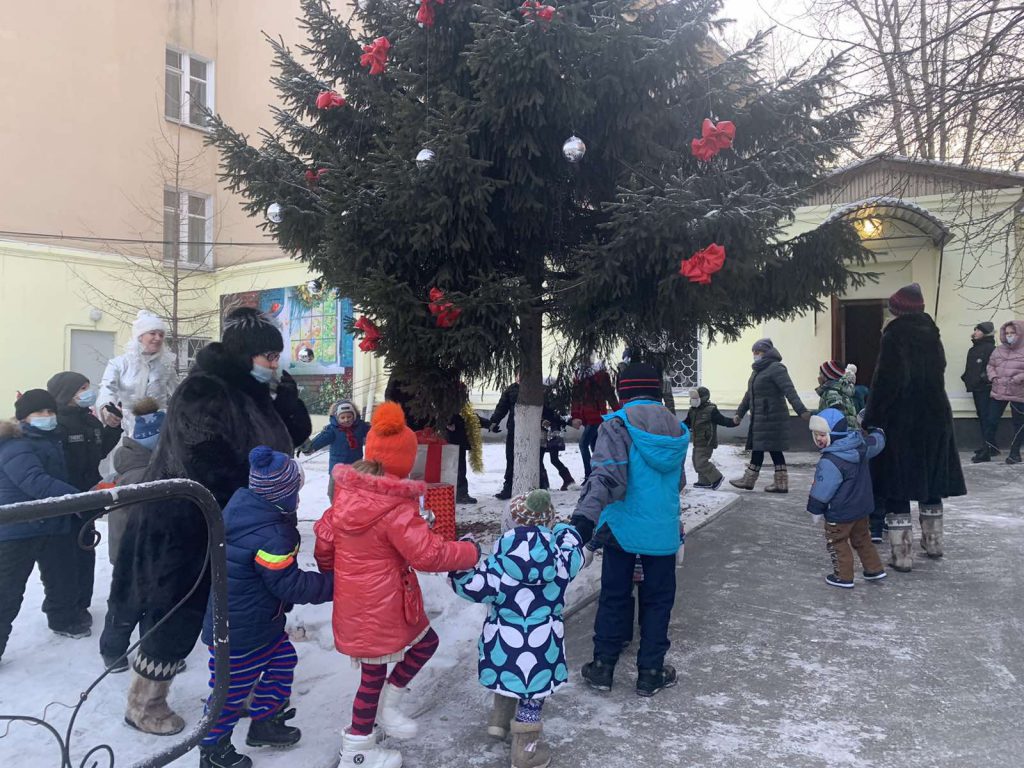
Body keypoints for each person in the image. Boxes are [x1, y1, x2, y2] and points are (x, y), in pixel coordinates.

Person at [111, 306, 311, 736]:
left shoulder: (258, 392)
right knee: (181, 609)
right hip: (186, 523)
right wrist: (259, 497)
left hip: (242, 523)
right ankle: (144, 703)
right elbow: (203, 460)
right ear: (243, 356)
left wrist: (287, 398)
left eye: (277, 356)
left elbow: (294, 437)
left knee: (241, 614)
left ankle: (231, 692)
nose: (275, 364)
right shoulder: (204, 391)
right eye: (267, 357)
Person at [314, 402, 479, 768]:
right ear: (404, 461)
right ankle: (358, 749)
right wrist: (469, 552)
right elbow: (428, 555)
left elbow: (324, 540)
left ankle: (384, 712)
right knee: (374, 676)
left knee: (417, 647)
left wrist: (337, 574)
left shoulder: (345, 494)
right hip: (384, 601)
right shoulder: (395, 506)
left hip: (363, 600)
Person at [198, 446, 333, 768]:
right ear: (284, 494)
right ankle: (211, 749)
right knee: (229, 694)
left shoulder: (249, 510)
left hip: (259, 621)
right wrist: (337, 584)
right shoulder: (271, 534)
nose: (299, 498)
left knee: (283, 659)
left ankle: (264, 723)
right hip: (240, 632)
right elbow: (289, 584)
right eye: (296, 491)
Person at [571, 362, 689, 697]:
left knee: (614, 596)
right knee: (658, 600)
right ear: (655, 390)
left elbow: (608, 478)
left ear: (623, 391)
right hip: (662, 532)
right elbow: (677, 481)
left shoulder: (618, 425)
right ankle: (651, 671)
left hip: (622, 529)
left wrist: (584, 518)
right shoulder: (676, 429)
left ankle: (603, 667)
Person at [449, 489, 586, 768]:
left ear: (511, 524)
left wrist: (462, 556)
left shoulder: (497, 565)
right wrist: (561, 528)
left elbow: (470, 586)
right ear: (547, 524)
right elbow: (575, 549)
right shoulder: (560, 562)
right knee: (533, 697)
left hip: (503, 644)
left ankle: (499, 723)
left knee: (510, 676)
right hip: (543, 647)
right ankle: (526, 751)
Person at [862, 283, 966, 572]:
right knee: (930, 481)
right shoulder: (932, 333)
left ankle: (902, 554)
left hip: (902, 420)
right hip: (935, 415)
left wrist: (871, 417)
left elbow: (886, 381)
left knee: (897, 484)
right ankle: (933, 543)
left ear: (897, 309)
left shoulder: (894, 335)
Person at [0, 390, 86, 662]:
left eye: (50, 412)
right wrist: (80, 500)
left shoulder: (51, 440)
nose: (47, 417)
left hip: (50, 522)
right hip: (18, 528)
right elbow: (36, 482)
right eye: (40, 413)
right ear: (24, 416)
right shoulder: (17, 444)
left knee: (61, 577)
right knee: (7, 591)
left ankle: (62, 620)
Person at [46, 371, 121, 629]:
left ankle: (81, 603)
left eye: (88, 387)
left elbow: (99, 452)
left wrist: (113, 427)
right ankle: (62, 609)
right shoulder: (56, 423)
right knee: (63, 558)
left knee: (85, 552)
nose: (88, 392)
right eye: (82, 388)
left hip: (88, 498)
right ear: (67, 393)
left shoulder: (88, 421)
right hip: (65, 500)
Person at [99, 398, 165, 673]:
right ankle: (113, 651)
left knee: (156, 603)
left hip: (151, 551)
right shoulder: (141, 474)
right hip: (135, 551)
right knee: (128, 604)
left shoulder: (144, 463)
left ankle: (153, 651)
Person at [807, 408, 887, 588]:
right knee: (862, 538)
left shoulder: (830, 460)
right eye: (816, 435)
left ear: (834, 434)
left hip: (840, 513)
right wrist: (878, 431)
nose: (818, 439)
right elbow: (877, 442)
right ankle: (874, 569)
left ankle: (843, 577)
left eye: (822, 434)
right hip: (861, 509)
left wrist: (815, 508)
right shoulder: (861, 446)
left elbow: (822, 488)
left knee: (837, 542)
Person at [730, 339, 810, 494]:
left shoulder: (776, 368)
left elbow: (789, 390)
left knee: (764, 448)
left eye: (757, 352)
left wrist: (802, 411)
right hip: (761, 418)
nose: (755, 355)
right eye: (753, 352)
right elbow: (749, 395)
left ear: (766, 353)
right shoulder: (757, 371)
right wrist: (739, 413)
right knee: (770, 450)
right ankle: (778, 483)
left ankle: (750, 480)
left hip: (772, 417)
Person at [98, 309, 180, 440]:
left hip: (158, 429)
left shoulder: (165, 366)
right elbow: (107, 388)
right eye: (152, 333)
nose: (158, 338)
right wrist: (105, 409)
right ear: (140, 336)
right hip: (127, 428)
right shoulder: (119, 364)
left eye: (161, 334)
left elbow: (178, 393)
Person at [305, 400, 371, 500]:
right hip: (336, 470)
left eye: (349, 417)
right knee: (333, 493)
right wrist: (309, 447)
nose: (346, 420)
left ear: (354, 416)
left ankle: (353, 511)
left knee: (355, 493)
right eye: (342, 417)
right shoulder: (332, 430)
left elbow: (375, 432)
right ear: (337, 417)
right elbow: (321, 440)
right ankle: (336, 510)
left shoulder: (361, 427)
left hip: (356, 468)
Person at [570, 360, 620, 479]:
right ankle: (601, 473)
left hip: (596, 417)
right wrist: (575, 415)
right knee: (595, 446)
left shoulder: (600, 376)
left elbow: (610, 395)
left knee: (583, 444)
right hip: (587, 418)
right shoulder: (579, 376)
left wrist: (618, 412)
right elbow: (576, 399)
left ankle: (590, 475)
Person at [986, 319, 1024, 465]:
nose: (1009, 335)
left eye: (1012, 333)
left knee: (1018, 424)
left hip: (1018, 392)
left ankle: (1015, 453)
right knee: (991, 420)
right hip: (999, 390)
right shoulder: (999, 349)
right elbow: (990, 365)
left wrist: (1019, 378)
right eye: (1007, 333)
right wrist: (993, 377)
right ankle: (989, 448)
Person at [684, 387, 734, 490]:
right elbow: (687, 422)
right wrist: (679, 426)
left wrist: (733, 422)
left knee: (701, 462)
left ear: (703, 398)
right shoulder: (692, 410)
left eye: (696, 398)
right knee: (696, 461)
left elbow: (722, 420)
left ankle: (717, 478)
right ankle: (704, 481)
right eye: (692, 398)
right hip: (697, 441)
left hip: (707, 441)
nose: (693, 400)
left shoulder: (711, 410)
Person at [961, 322, 997, 462]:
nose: (975, 332)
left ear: (985, 333)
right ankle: (991, 446)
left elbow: (993, 367)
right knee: (983, 416)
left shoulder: (990, 348)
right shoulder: (975, 348)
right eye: (974, 329)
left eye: (978, 330)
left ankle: (987, 448)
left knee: (986, 417)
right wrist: (967, 378)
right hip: (976, 387)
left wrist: (983, 379)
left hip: (984, 388)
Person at [542, 378, 577, 491]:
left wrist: (569, 422)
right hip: (551, 431)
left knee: (551, 459)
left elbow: (559, 416)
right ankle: (565, 479)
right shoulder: (550, 399)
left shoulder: (550, 400)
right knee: (551, 459)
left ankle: (565, 480)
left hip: (552, 431)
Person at [815, 361, 859, 429]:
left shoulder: (832, 393)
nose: (818, 377)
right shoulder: (838, 390)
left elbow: (835, 416)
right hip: (847, 432)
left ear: (827, 377)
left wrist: (813, 414)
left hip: (840, 433)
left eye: (820, 374)